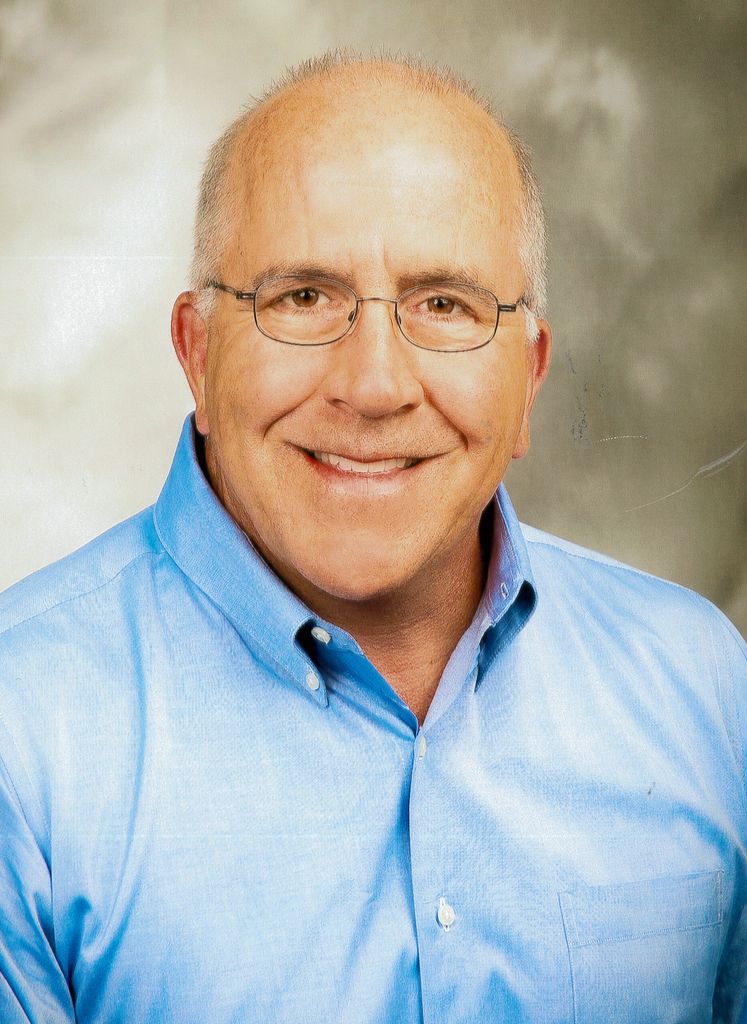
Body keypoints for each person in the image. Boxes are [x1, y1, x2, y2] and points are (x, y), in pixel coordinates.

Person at [0, 50, 744, 1024]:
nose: (375, 385)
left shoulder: (704, 686)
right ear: (197, 351)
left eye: (445, 305)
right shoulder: (20, 729)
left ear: (529, 376)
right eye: (304, 297)